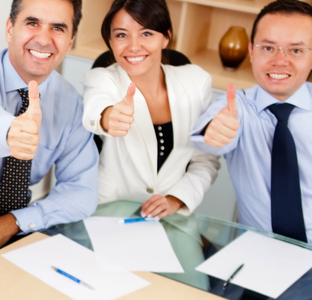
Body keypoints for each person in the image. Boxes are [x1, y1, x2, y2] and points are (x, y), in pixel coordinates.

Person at [191, 0, 312, 270]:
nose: (280, 60)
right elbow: (210, 134)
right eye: (268, 47)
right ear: (252, 51)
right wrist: (215, 132)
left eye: (296, 50)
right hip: (259, 254)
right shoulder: (235, 106)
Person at [0, 0, 99, 257]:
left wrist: (14, 222)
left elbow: (83, 192)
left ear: (70, 42)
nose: (44, 39)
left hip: (14, 230)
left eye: (58, 28)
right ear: (10, 28)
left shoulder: (71, 104)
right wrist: (11, 132)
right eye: (32, 23)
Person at [80, 0, 219, 288]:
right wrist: (108, 117)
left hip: (171, 216)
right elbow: (96, 108)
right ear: (110, 41)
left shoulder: (196, 82)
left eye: (146, 33)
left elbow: (205, 160)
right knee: (109, 288)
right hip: (110, 212)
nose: (133, 46)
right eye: (121, 35)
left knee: (194, 290)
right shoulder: (102, 79)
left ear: (166, 36)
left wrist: (178, 197)